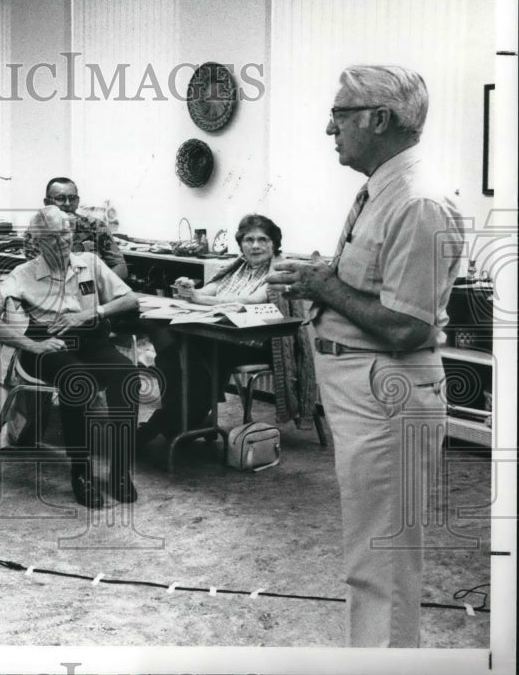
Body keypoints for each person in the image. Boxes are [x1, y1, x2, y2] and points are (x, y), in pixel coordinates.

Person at [267, 66, 463, 647]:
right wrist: (314, 284)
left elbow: (406, 326)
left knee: (384, 563)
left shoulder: (418, 202)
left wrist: (324, 285)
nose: (331, 128)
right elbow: (375, 292)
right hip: (366, 393)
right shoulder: (384, 190)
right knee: (370, 556)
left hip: (389, 393)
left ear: (379, 119)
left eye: (341, 114)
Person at [0, 206, 141, 508]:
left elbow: (129, 299)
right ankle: (81, 473)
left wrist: (91, 313)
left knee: (126, 374)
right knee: (76, 380)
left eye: (66, 233)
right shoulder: (23, 274)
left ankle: (119, 470)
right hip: (46, 346)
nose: (62, 242)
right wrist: (31, 345)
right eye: (52, 238)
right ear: (36, 242)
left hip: (91, 339)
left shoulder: (90, 263)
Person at [138, 214, 285, 445]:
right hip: (222, 338)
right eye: (249, 240)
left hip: (256, 344)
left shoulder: (280, 271)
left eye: (263, 239)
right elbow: (208, 290)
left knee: (195, 356)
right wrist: (188, 288)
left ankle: (168, 424)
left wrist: (199, 299)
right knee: (171, 349)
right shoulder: (237, 267)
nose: (255, 245)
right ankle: (186, 421)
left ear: (274, 243)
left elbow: (250, 301)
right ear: (241, 244)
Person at [23, 177, 128, 280]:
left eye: (72, 198)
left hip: (94, 291)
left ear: (78, 201)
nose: (68, 204)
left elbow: (121, 268)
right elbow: (36, 272)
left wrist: (95, 286)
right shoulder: (37, 232)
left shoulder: (96, 226)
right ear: (46, 203)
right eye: (60, 198)